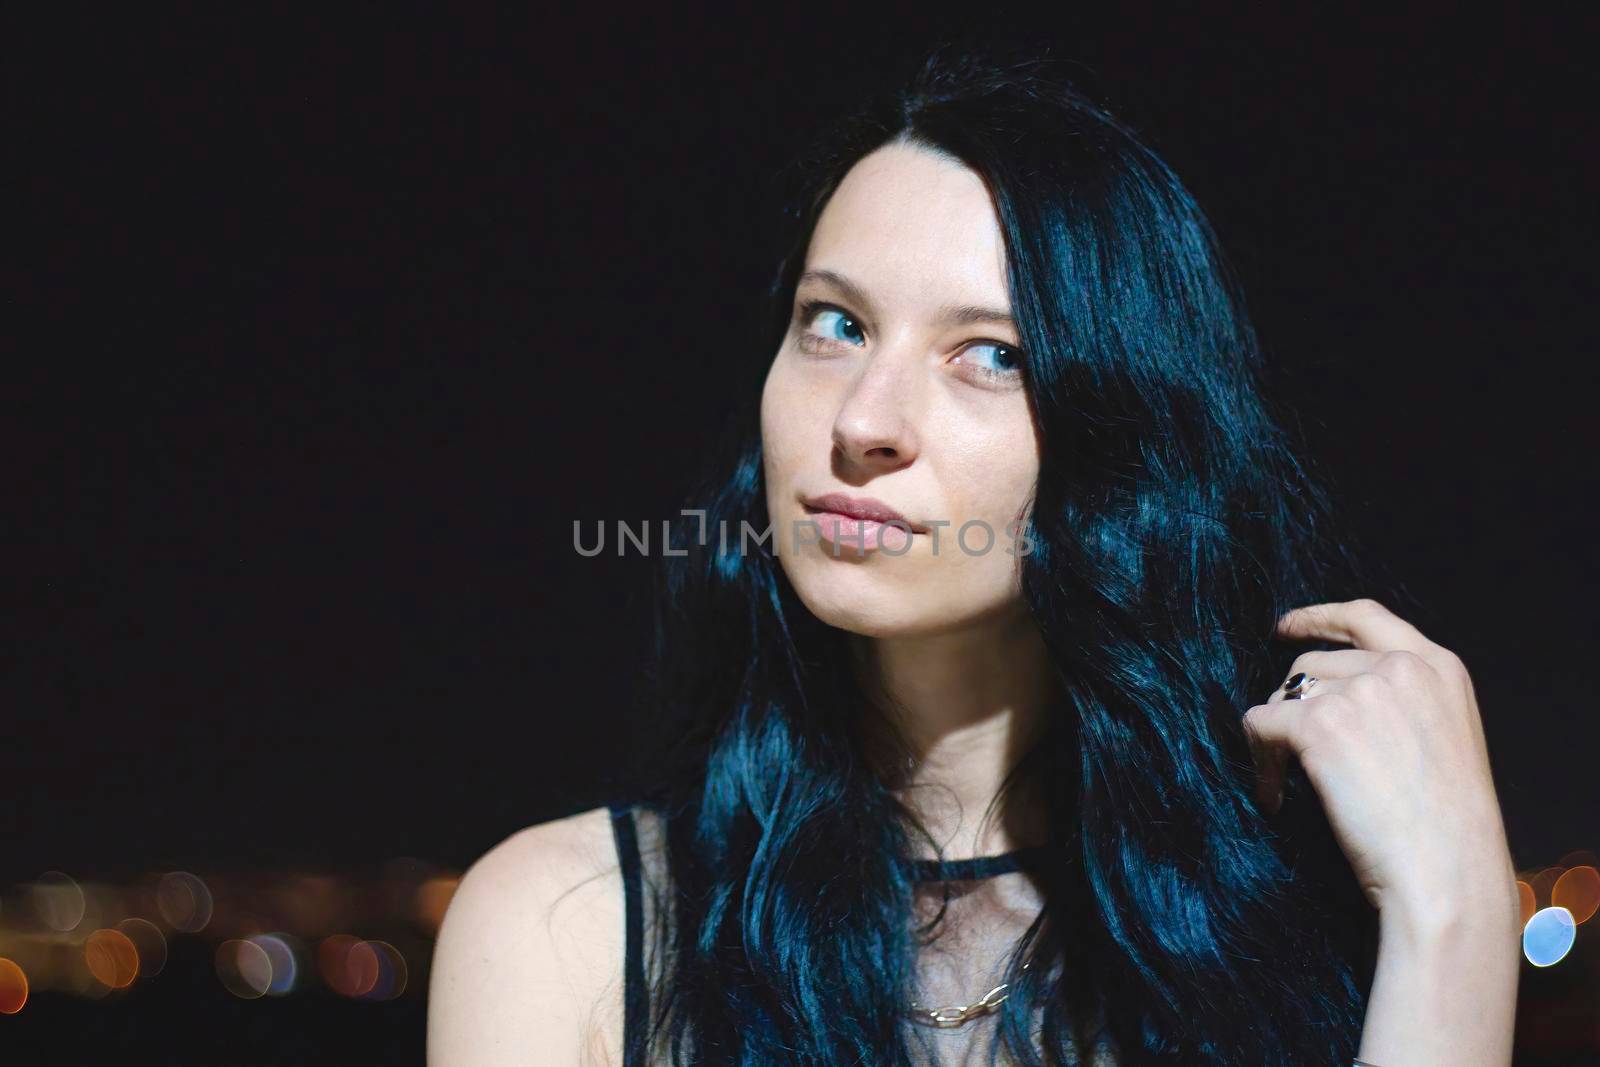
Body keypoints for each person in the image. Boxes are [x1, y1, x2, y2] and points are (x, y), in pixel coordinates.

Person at [427, 45, 1521, 1066]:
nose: (864, 420)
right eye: (835, 324)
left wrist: (1454, 907)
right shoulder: (572, 928)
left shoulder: (1283, 931)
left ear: (1120, 438)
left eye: (988, 354)